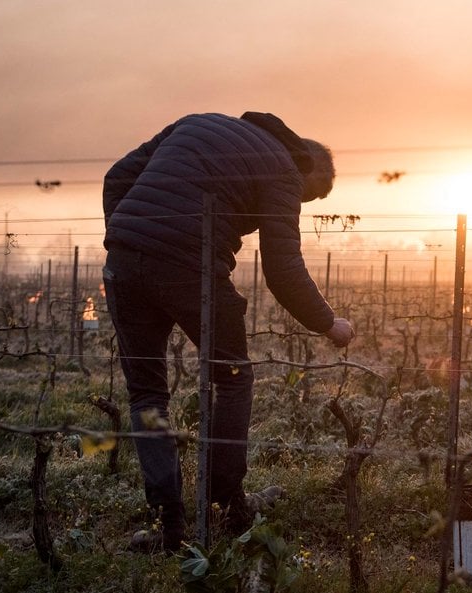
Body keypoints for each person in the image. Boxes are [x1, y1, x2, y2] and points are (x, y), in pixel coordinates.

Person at [102, 111, 354, 551]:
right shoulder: (285, 167)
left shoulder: (197, 122)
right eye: (307, 198)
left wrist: (129, 237)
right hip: (188, 265)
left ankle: (168, 528)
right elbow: (282, 266)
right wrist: (329, 323)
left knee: (147, 395)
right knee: (233, 378)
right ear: (308, 169)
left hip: (123, 258)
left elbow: (117, 176)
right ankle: (226, 506)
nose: (300, 203)